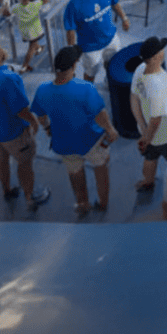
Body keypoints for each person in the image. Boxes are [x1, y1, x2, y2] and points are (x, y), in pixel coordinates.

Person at [31, 45, 119, 216]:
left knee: (75, 175)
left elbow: (40, 115)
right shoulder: (85, 88)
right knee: (100, 169)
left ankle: (83, 204)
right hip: (92, 141)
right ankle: (102, 204)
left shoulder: (43, 90)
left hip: (64, 144)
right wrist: (110, 130)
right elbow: (100, 114)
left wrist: (48, 128)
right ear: (73, 66)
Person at [0, 37, 50, 209]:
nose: (3, 48)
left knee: (1, 157)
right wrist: (34, 122)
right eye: (0, 48)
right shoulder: (8, 78)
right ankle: (30, 197)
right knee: (24, 163)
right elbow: (21, 109)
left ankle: (6, 190)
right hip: (13, 132)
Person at [130, 36, 167, 192]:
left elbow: (134, 98)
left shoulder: (140, 70)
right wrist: (148, 139)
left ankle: (148, 183)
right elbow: (156, 120)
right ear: (155, 57)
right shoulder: (159, 85)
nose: (163, 51)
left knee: (150, 158)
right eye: (161, 49)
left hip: (146, 132)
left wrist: (142, 129)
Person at [62, 0, 131, 83]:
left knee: (113, 65)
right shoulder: (74, 5)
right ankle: (88, 92)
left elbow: (115, 3)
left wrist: (124, 18)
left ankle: (109, 82)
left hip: (111, 39)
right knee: (90, 74)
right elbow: (70, 30)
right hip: (90, 48)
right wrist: (72, 52)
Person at [2, 0, 49, 74]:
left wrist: (4, 6)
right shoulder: (35, 4)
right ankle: (24, 66)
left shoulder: (16, 7)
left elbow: (7, 13)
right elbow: (46, 0)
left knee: (33, 43)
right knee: (31, 49)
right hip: (36, 30)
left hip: (25, 31)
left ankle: (38, 49)